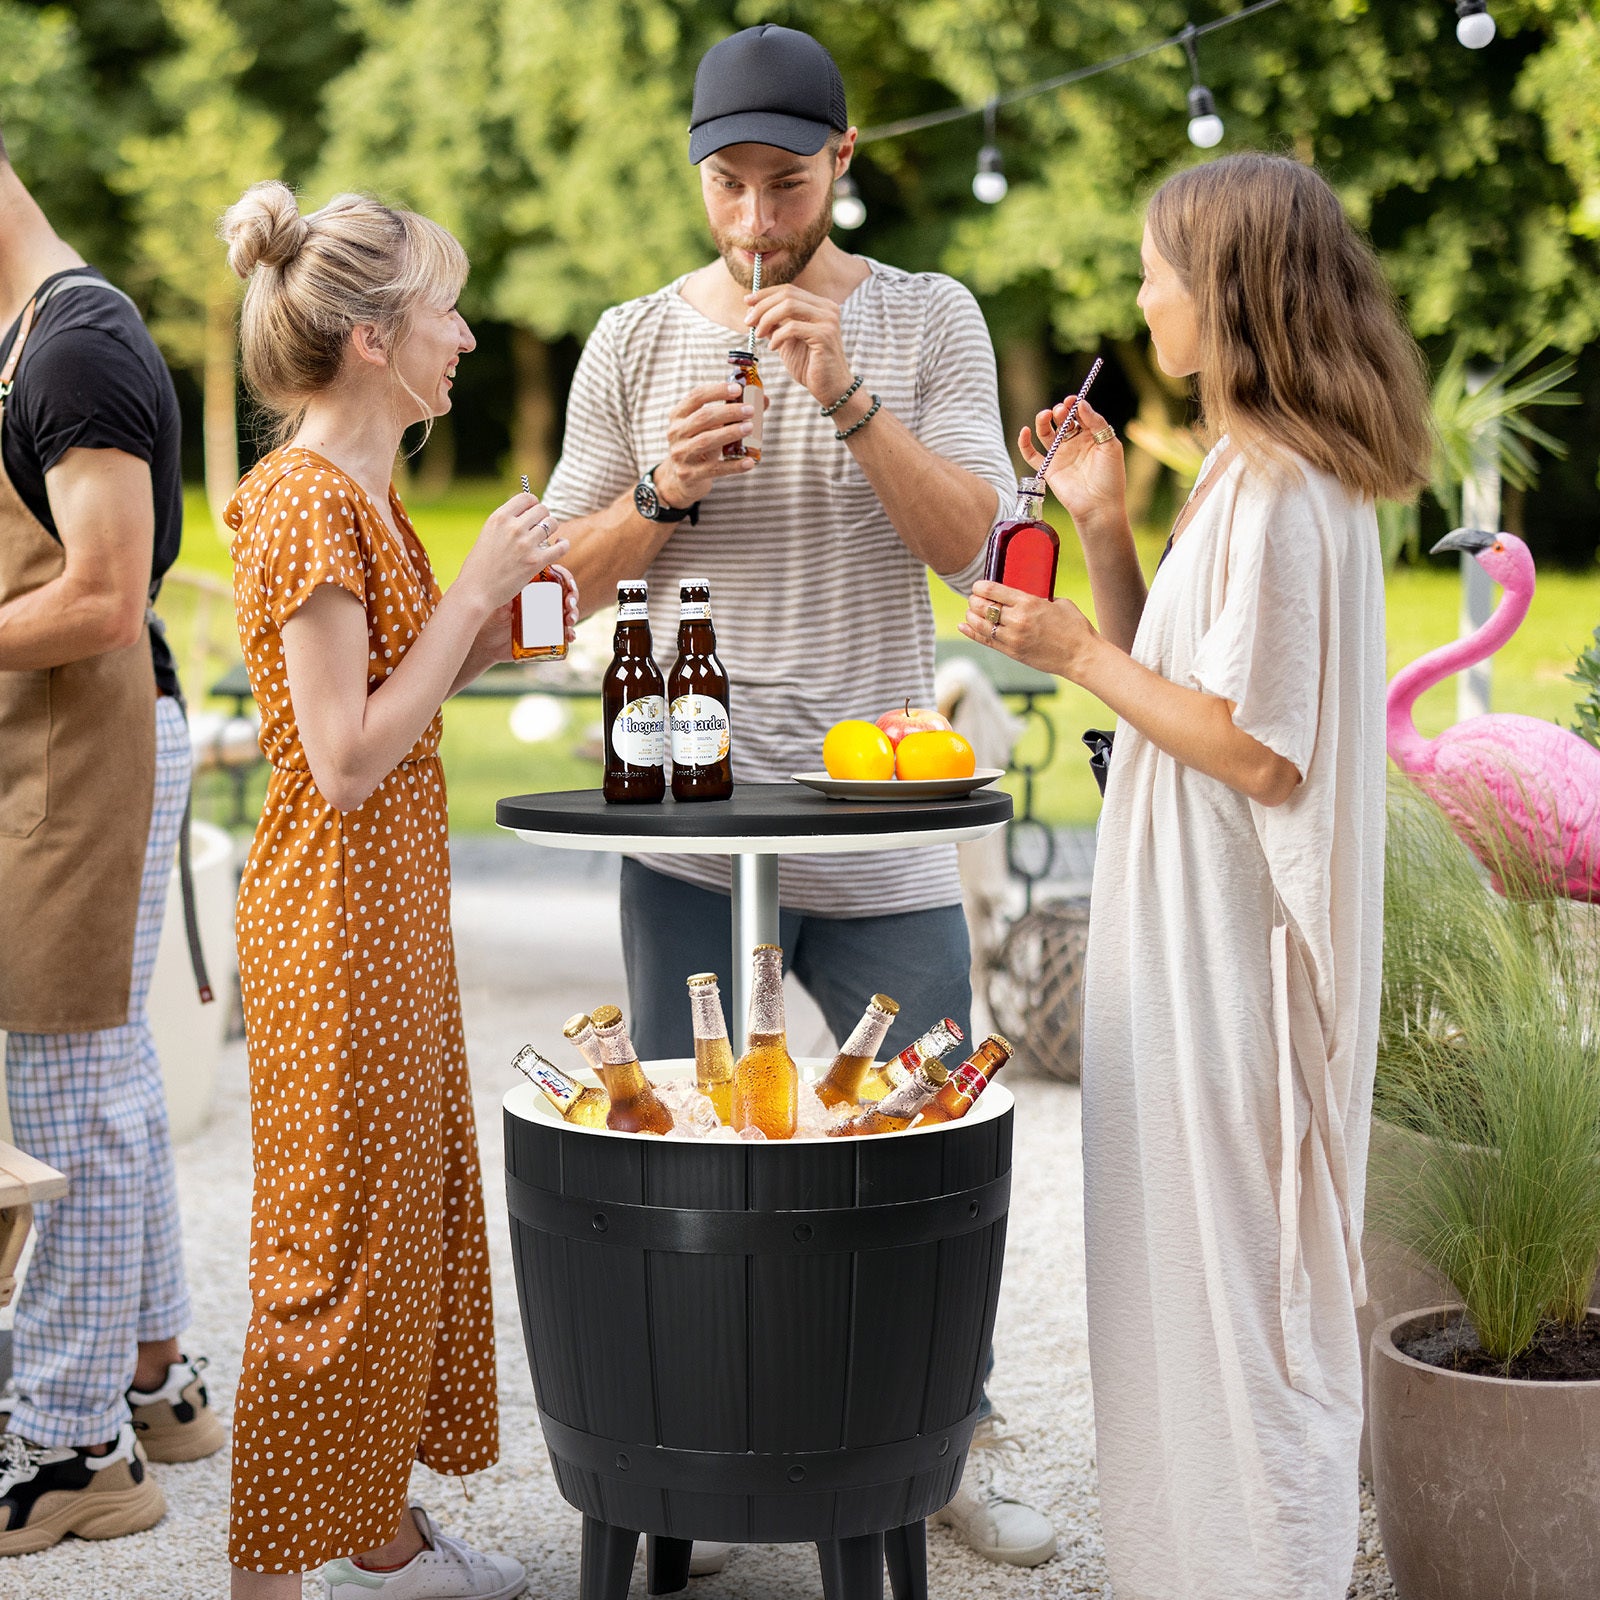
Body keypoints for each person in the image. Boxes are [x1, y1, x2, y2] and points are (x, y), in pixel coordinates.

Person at [543, 22, 1057, 1572]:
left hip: (879, 829)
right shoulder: (635, 340)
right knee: (687, 1157)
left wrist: (850, 408)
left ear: (843, 163)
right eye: (728, 184)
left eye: (786, 182)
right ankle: (691, 1462)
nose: (757, 219)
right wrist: (659, 495)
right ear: (697, 173)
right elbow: (548, 593)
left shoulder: (929, 319)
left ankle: (943, 1441)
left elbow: (979, 543)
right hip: (693, 831)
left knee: (929, 1147)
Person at [962, 152, 1432, 1600]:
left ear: (1223, 292)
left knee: (1245, 1310)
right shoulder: (1240, 472)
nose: (1145, 293)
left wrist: (1071, 654)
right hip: (1185, 948)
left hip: (1233, 963)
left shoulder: (1286, 488)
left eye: (1161, 268)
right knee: (1187, 1291)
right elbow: (1176, 692)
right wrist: (1103, 529)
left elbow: (1262, 753)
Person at [219, 181, 576, 1600]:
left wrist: (493, 621)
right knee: (331, 1256)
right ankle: (271, 1580)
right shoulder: (308, 502)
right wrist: (477, 589)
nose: (471, 337)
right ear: (373, 337)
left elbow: (396, 697)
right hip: (332, 924)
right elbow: (349, 754)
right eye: (448, 307)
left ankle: (378, 1534)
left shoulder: (358, 492)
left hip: (382, 922)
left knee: (398, 1222)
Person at [0, 115, 222, 1554]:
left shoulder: (76, 347)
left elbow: (101, 591)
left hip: (93, 752)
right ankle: (155, 1380)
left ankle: (69, 1452)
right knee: (105, 1074)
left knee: (66, 1094)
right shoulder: (27, 343)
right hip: (62, 753)